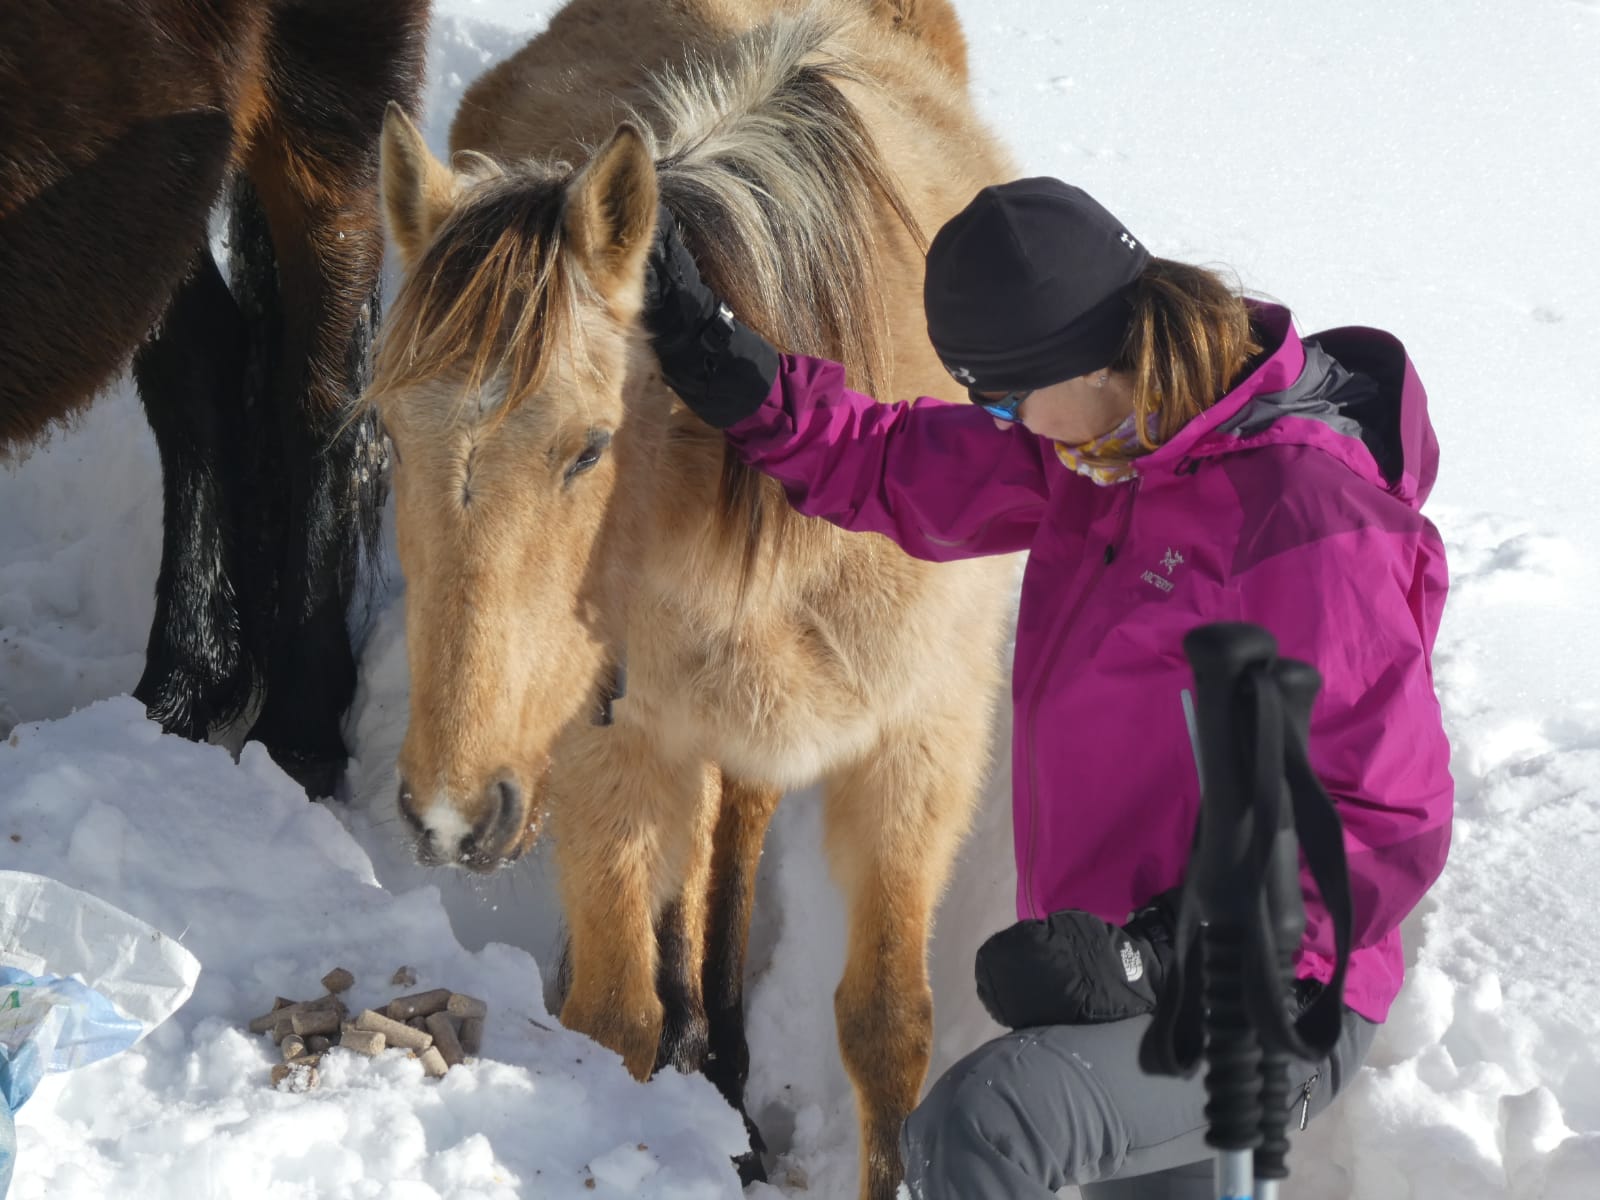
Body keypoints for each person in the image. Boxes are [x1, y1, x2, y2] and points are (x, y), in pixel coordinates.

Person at [641, 177, 1454, 1198]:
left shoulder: (1302, 522)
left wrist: (1156, 954)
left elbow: (1377, 816)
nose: (1002, 422)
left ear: (1083, 358)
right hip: (1123, 975)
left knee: (989, 1124)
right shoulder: (1113, 451)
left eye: (997, 395)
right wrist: (733, 375)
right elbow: (899, 463)